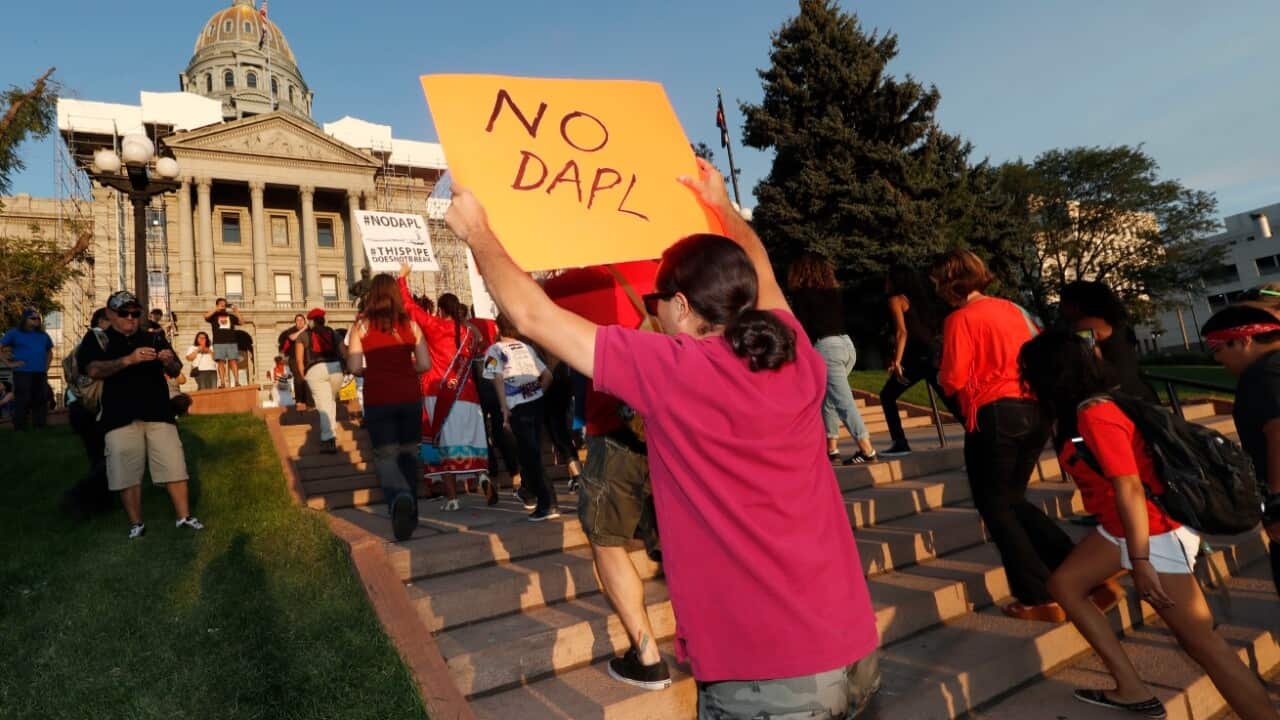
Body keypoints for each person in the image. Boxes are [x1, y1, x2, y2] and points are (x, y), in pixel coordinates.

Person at [446, 158, 880, 717]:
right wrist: (721, 205)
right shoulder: (793, 348)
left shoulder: (676, 371)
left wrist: (477, 231)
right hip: (851, 644)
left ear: (679, 306)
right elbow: (763, 268)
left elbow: (532, 315)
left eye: (660, 299)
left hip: (767, 673)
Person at [1020, 330, 1279, 720]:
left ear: (1050, 372)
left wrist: (1140, 560)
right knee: (1064, 584)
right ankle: (1131, 688)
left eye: (1028, 371)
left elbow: (1129, 487)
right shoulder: (1079, 411)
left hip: (1153, 532)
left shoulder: (1095, 413)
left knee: (1204, 645)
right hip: (1121, 527)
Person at [932, 249, 1075, 622]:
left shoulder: (959, 319)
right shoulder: (1016, 310)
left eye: (937, 282)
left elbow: (953, 377)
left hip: (994, 412)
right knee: (1011, 499)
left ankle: (1038, 593)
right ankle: (1077, 566)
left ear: (949, 282)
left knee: (995, 506)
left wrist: (942, 374)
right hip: (1036, 409)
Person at [77, 291, 203, 539]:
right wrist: (128, 360)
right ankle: (136, 523)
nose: (131, 318)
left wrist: (168, 361)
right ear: (111, 314)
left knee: (174, 465)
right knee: (126, 472)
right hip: (118, 415)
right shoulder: (99, 339)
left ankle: (184, 517)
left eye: (136, 313)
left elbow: (177, 368)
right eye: (124, 313)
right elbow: (92, 369)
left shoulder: (153, 336)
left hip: (158, 412)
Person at [347, 274, 433, 540]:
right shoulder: (410, 324)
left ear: (372, 294)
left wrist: (370, 372)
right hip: (408, 395)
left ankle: (399, 499)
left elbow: (352, 366)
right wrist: (406, 370)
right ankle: (411, 510)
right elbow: (425, 365)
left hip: (378, 397)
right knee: (408, 453)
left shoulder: (361, 326)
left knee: (385, 455)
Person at [1201, 304, 1280, 590]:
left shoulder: (1262, 375)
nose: (1218, 359)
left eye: (1219, 349)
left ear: (1244, 340)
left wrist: (1276, 503)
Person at [397, 267, 490, 511]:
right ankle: (481, 476)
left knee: (444, 444)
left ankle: (452, 498)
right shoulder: (470, 333)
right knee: (472, 441)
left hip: (439, 393)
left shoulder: (435, 326)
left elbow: (410, 307)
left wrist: (402, 278)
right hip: (468, 394)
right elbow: (480, 340)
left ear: (441, 310)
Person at [786, 253, 879, 464]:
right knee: (829, 400)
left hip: (826, 348)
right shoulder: (834, 292)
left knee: (843, 401)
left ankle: (867, 450)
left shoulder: (802, 295)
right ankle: (832, 448)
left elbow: (802, 329)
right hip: (846, 345)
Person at [878, 264, 959, 457]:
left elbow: (902, 332)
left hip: (919, 357)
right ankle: (980, 437)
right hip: (932, 353)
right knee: (952, 401)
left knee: (887, 395)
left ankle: (900, 442)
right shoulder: (919, 300)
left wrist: (897, 361)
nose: (886, 283)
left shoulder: (895, 300)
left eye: (888, 279)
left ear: (895, 281)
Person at [484, 314, 557, 520]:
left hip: (516, 406)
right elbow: (548, 376)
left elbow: (495, 378)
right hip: (535, 402)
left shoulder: (494, 349)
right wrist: (536, 392)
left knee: (530, 456)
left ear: (498, 327)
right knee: (532, 453)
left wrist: (503, 407)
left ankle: (547, 503)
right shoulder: (527, 347)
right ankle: (539, 497)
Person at [1059, 280, 1157, 402]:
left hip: (1119, 399)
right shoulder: (1119, 323)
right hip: (1141, 394)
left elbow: (1091, 364)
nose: (1061, 309)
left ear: (1075, 305)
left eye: (1063, 304)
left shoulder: (1084, 327)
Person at [60, 308, 114, 521]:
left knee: (98, 455)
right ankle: (80, 497)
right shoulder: (99, 338)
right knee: (108, 457)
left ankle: (99, 502)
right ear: (102, 321)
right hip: (91, 406)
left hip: (78, 404)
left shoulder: (81, 344)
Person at [294, 308, 344, 453]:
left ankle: (328, 440)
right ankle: (332, 431)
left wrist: (303, 375)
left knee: (323, 405)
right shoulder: (333, 333)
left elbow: (299, 359)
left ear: (310, 321)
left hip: (315, 370)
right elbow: (344, 352)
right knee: (330, 400)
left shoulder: (303, 335)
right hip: (335, 369)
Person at [1, 307, 54, 430]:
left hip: (40, 372)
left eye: (38, 318)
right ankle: (20, 427)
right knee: (22, 399)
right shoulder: (14, 333)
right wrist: (9, 364)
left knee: (40, 399)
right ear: (25, 319)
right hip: (22, 372)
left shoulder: (43, 335)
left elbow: (49, 352)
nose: (37, 320)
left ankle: (40, 426)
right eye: (33, 318)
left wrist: (46, 367)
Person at [542, 351, 584, 488]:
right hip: (564, 377)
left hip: (550, 384)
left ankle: (578, 475)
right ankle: (577, 475)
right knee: (561, 432)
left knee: (558, 433)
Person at [204, 298, 243, 388]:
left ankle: (237, 381)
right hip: (218, 342)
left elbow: (241, 322)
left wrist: (236, 312)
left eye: (224, 304)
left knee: (233, 361)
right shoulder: (214, 316)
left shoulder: (230, 316)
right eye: (221, 303)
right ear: (217, 304)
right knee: (220, 362)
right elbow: (206, 316)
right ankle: (222, 382)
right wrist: (216, 309)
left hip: (231, 341)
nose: (223, 305)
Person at [278, 314, 312, 409]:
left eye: (302, 320)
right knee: (298, 378)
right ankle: (299, 400)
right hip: (294, 359)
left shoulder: (309, 330)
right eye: (298, 320)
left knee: (308, 378)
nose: (300, 321)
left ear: (305, 321)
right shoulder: (292, 330)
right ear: (295, 322)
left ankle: (308, 400)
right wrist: (302, 329)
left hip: (307, 359)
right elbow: (292, 338)